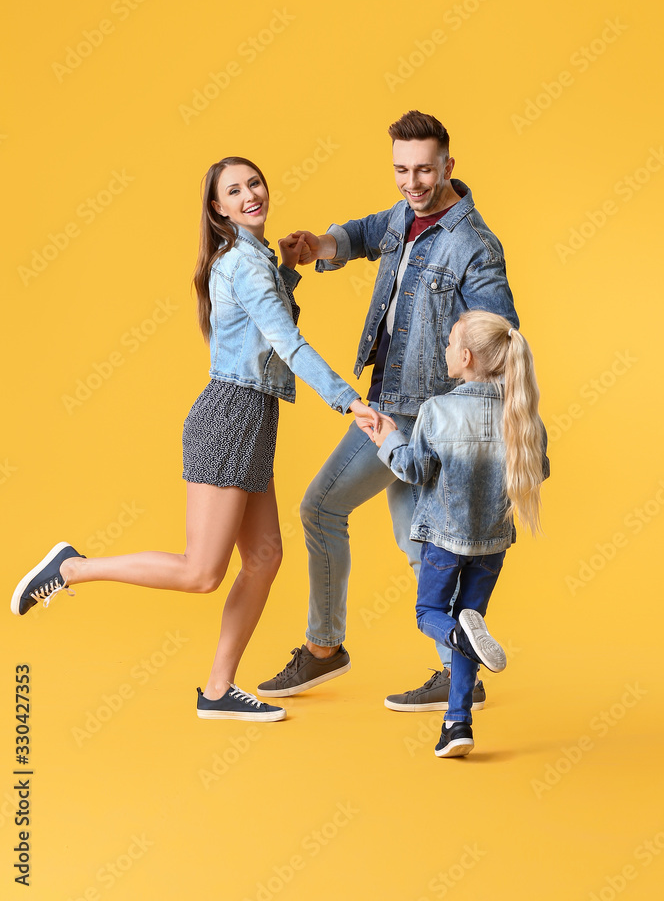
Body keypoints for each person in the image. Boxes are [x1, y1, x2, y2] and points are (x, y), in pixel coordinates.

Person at [10, 156, 381, 722]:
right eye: (234, 190)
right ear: (218, 208)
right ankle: (71, 569)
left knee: (263, 556)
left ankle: (217, 690)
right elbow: (288, 345)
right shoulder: (242, 265)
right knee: (201, 572)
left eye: (254, 182)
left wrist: (287, 268)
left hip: (252, 421)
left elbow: (260, 327)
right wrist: (350, 401)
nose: (250, 194)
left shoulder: (251, 260)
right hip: (231, 419)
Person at [257, 111, 519, 711]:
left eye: (424, 169)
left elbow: (499, 336)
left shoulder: (474, 245)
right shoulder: (404, 216)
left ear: (449, 166)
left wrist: (459, 418)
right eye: (401, 169)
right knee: (419, 540)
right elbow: (361, 234)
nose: (412, 181)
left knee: (320, 506)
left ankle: (324, 650)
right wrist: (317, 245)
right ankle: (460, 677)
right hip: (397, 403)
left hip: (415, 415)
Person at [370, 309, 550, 756]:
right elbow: (536, 470)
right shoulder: (522, 413)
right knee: (471, 619)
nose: (446, 350)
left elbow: (412, 470)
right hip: (492, 545)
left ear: (466, 356)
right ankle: (457, 725)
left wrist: (387, 438)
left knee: (430, 613)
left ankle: (459, 646)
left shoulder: (437, 410)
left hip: (443, 541)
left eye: (450, 343)